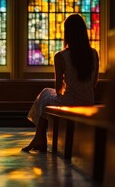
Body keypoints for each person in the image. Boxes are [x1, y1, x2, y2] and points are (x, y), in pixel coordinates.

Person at [22, 14, 99, 153]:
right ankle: (39, 138)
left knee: (45, 94)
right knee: (46, 96)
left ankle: (39, 138)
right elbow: (93, 84)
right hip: (88, 101)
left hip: (70, 102)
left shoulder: (61, 56)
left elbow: (58, 90)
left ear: (67, 33)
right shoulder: (93, 54)